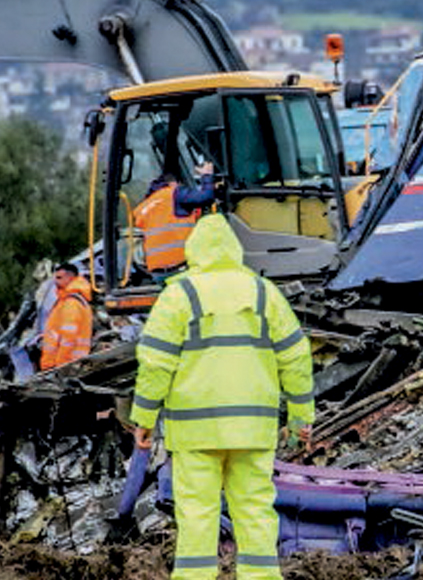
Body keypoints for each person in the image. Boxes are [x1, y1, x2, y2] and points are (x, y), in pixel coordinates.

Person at [130, 214, 313, 580]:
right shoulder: (264, 293)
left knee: (197, 515)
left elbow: (155, 364)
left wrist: (144, 420)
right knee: (256, 512)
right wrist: (300, 418)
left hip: (196, 433)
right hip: (253, 430)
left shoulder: (180, 295)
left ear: (193, 251)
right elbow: (296, 357)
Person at [132, 161, 219, 275]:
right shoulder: (174, 194)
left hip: (156, 270)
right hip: (179, 266)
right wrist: (207, 176)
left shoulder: (143, 207)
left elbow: (172, 219)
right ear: (173, 183)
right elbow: (206, 197)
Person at [39, 263, 93, 370]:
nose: (56, 281)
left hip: (65, 364)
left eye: (59, 278)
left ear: (70, 278)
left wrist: (61, 364)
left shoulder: (71, 303)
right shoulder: (69, 300)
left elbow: (68, 337)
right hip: (68, 363)